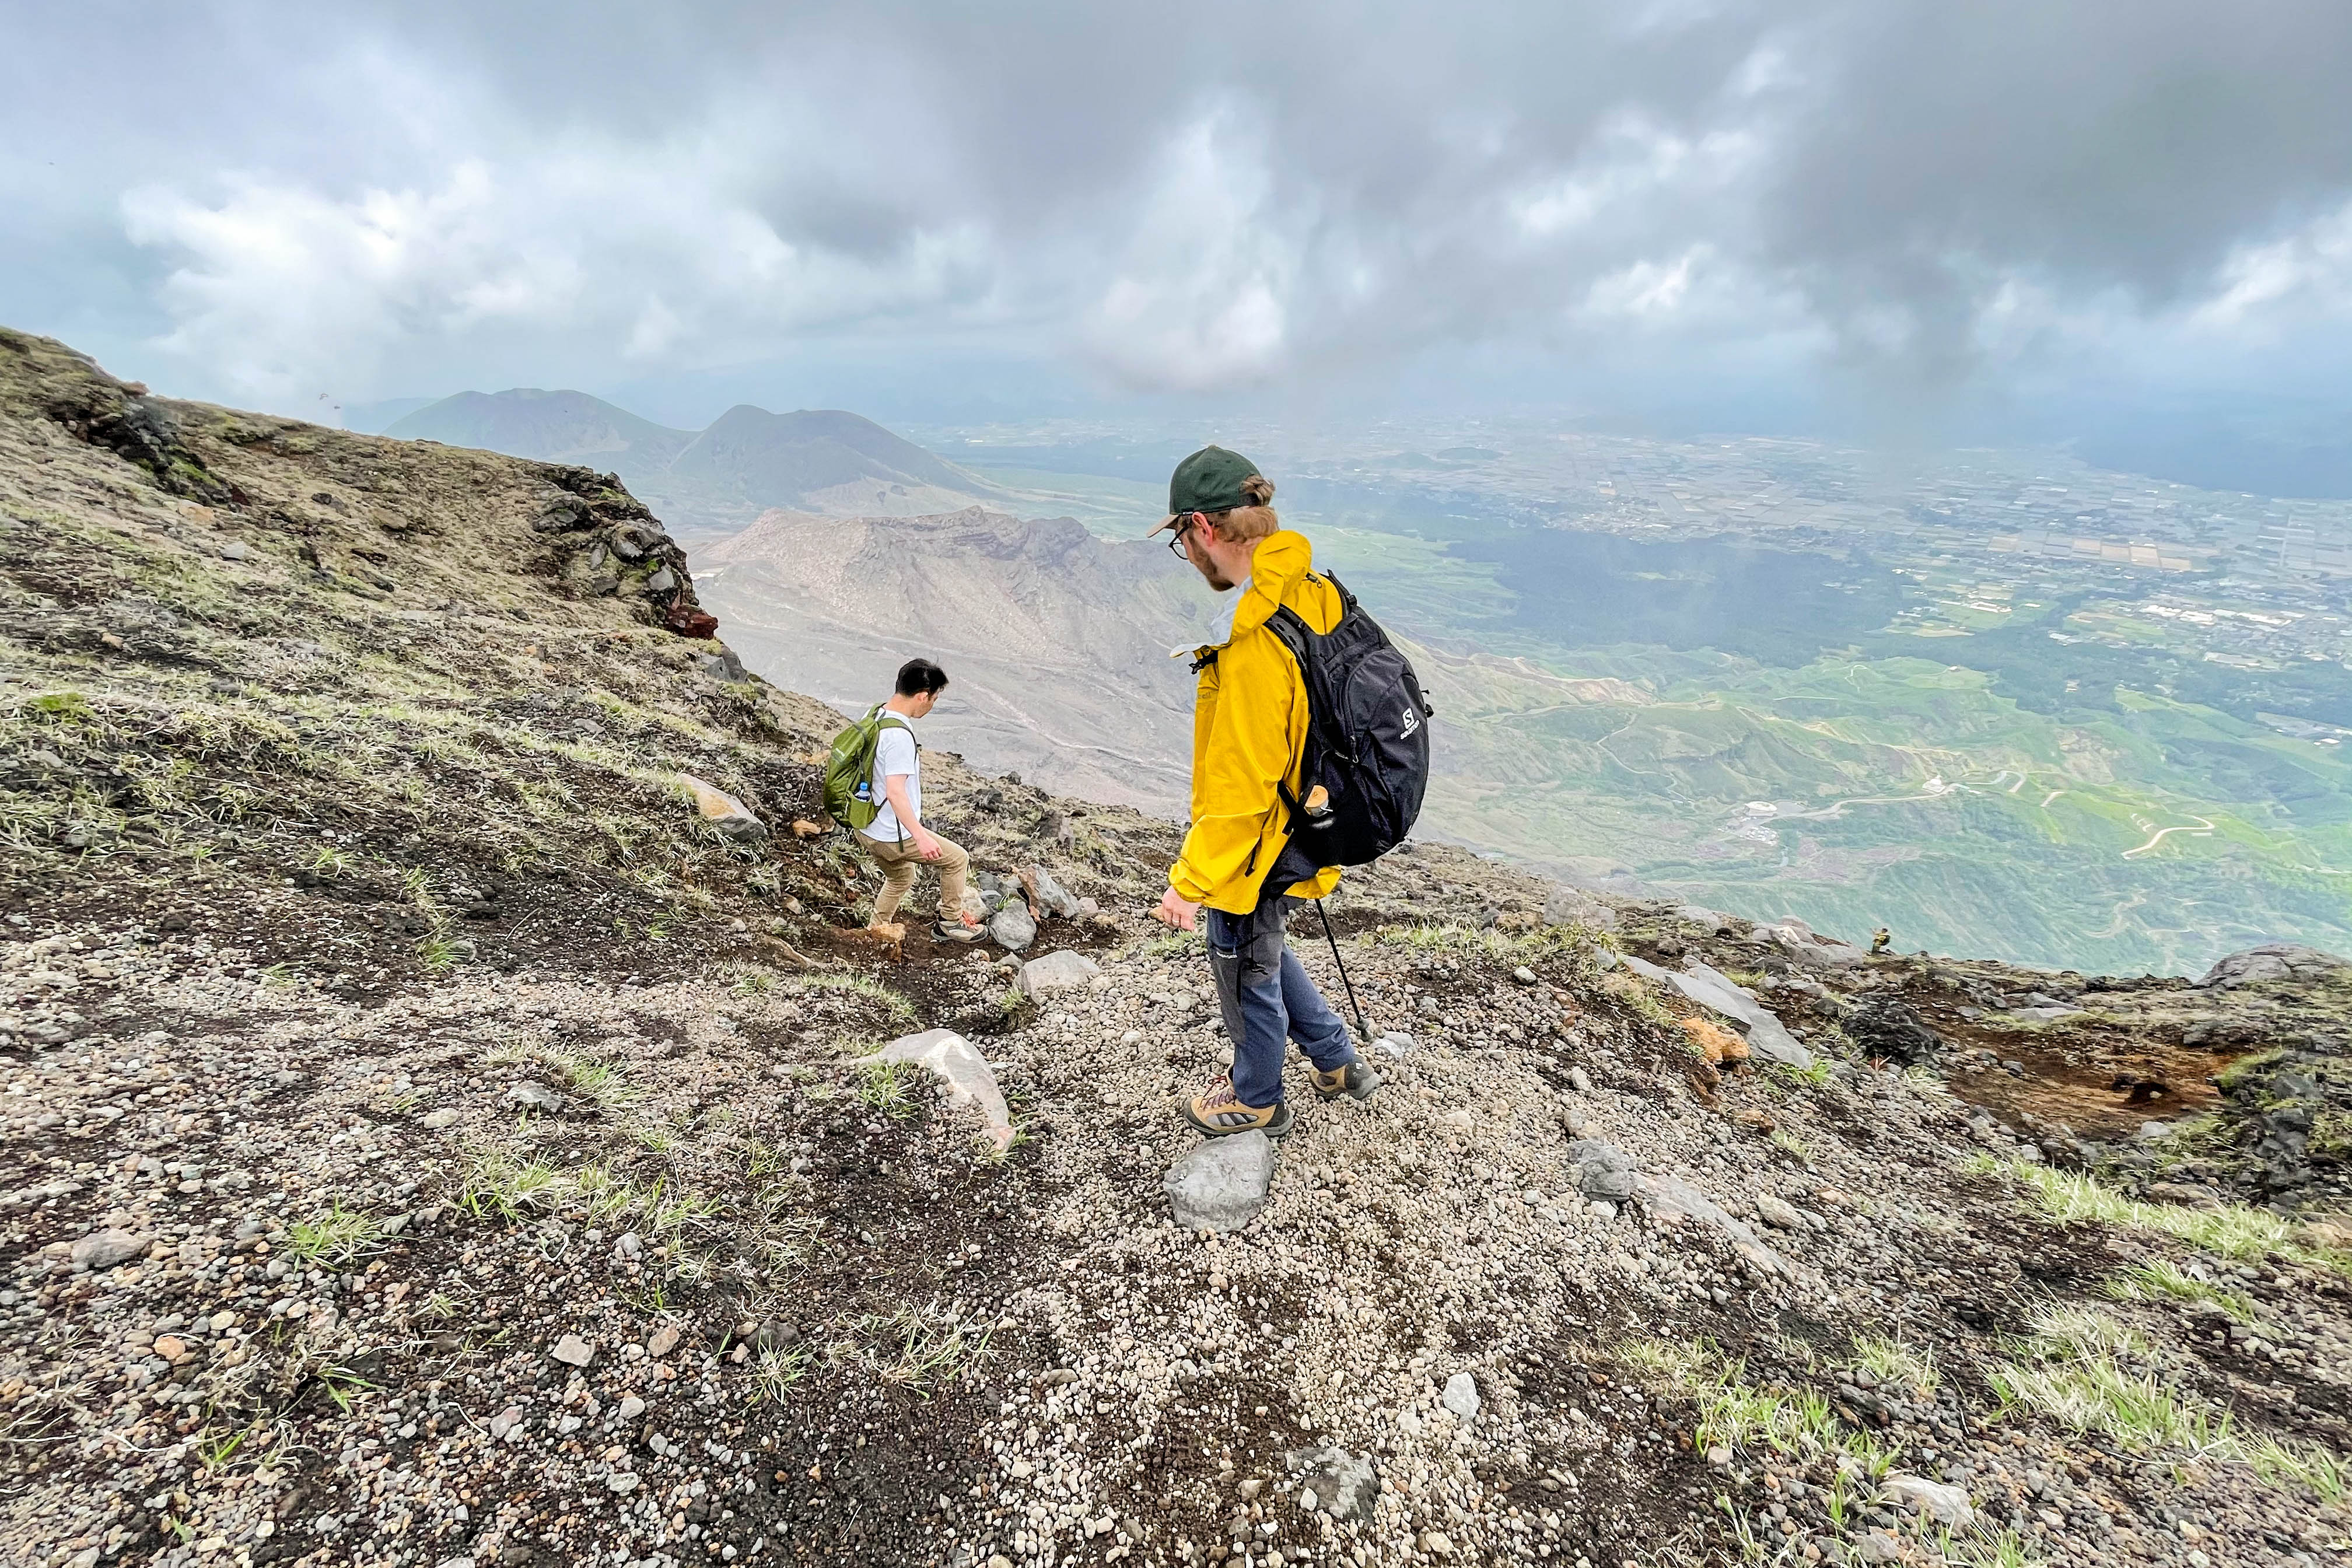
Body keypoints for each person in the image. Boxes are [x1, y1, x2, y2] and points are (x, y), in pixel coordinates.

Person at [1147, 446, 1378, 1136]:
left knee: (1241, 950)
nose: (1186, 554)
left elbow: (1243, 789)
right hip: (1314, 812)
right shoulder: (1314, 587)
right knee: (1263, 938)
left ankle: (1255, 1100)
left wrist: (1190, 882)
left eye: (1181, 540)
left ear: (1203, 527)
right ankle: (1337, 1061)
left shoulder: (1255, 641)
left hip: (1266, 831)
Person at [859, 658, 982, 943]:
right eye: (934, 699)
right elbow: (896, 792)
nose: (932, 706)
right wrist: (922, 837)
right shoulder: (899, 736)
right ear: (923, 696)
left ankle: (876, 931)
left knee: (902, 877)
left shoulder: (877, 714)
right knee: (956, 860)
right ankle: (950, 924)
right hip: (892, 834)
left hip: (866, 826)